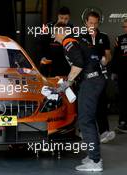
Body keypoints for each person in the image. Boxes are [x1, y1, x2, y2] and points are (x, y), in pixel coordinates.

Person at [54, 23, 105, 172]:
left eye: (55, 32)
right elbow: (97, 58)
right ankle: (93, 155)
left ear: (61, 32)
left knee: (85, 120)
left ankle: (95, 161)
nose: (54, 36)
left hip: (90, 81)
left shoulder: (68, 41)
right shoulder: (79, 39)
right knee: (88, 119)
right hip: (94, 80)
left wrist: (67, 83)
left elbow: (78, 64)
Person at [80, 11, 115, 143]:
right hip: (85, 76)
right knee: (86, 105)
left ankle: (104, 132)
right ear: (86, 22)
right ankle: (84, 132)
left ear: (98, 22)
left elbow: (108, 54)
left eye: (95, 23)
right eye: (90, 23)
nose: (93, 25)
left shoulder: (104, 37)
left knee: (101, 102)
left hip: (100, 76)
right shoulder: (80, 36)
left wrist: (106, 60)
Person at [38, 6, 72, 77]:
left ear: (69, 18)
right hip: (49, 60)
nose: (63, 21)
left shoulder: (72, 28)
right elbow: (41, 44)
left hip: (64, 61)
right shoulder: (48, 27)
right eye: (61, 18)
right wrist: (42, 57)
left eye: (66, 19)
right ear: (58, 16)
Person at [112, 18, 127, 133]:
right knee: (123, 98)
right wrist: (113, 72)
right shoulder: (119, 39)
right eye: (124, 27)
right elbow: (115, 57)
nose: (125, 28)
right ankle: (123, 122)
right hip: (122, 73)